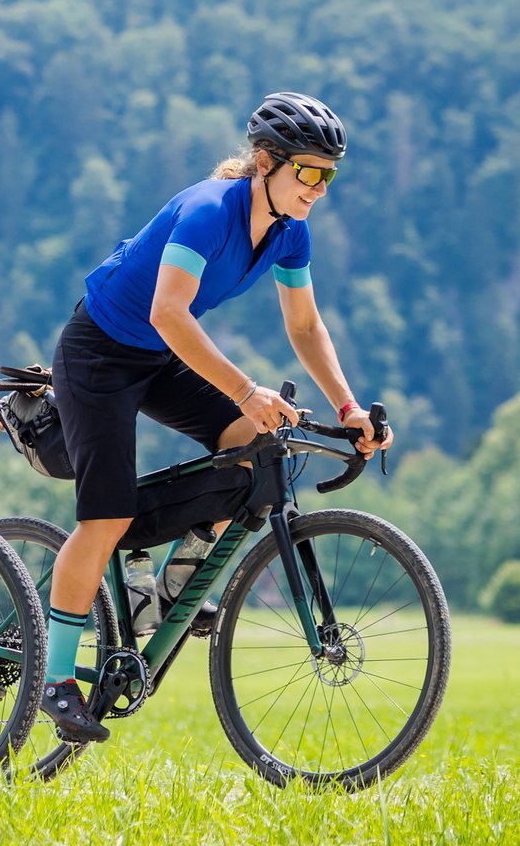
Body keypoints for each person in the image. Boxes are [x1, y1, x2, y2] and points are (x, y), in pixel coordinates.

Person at [41, 91, 394, 743]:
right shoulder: (207, 211)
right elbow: (168, 313)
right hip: (100, 353)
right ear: (265, 161)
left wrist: (348, 407)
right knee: (106, 517)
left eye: (329, 175)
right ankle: (57, 682)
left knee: (256, 448)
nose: (318, 187)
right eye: (308, 171)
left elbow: (307, 325)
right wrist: (243, 387)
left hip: (160, 354)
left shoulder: (290, 230)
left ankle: (171, 584)